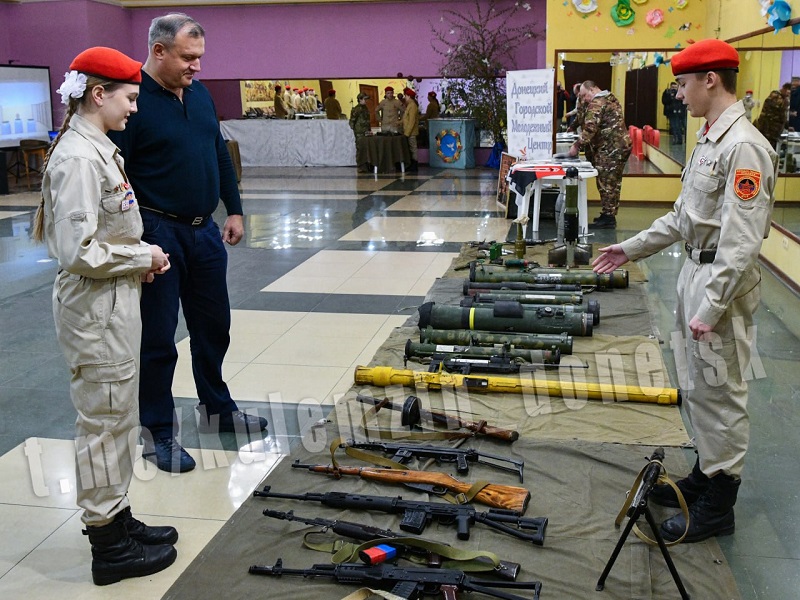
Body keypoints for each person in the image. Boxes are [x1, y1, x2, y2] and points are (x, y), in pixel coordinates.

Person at [592, 39, 778, 544]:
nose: (678, 93)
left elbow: (740, 245)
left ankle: (721, 503)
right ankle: (707, 471)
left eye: (683, 82)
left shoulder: (745, 147)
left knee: (722, 391)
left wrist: (711, 307)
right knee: (697, 385)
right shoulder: (710, 137)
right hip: (696, 274)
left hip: (723, 283)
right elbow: (683, 217)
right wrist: (629, 249)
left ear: (710, 79)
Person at [33, 46, 177, 586]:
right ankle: (108, 547)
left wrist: (131, 260)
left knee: (117, 418)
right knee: (102, 421)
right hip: (96, 308)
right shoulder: (77, 157)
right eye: (130, 98)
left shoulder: (98, 147)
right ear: (99, 94)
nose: (135, 109)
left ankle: (117, 517)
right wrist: (143, 255)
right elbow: (77, 249)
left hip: (112, 301)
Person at [108, 13, 267, 474]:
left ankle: (217, 408)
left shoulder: (198, 94)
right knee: (159, 338)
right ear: (159, 51)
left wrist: (232, 208)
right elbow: (118, 177)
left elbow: (217, 149)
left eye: (199, 57)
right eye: (188, 57)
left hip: (204, 232)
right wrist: (135, 243)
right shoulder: (132, 99)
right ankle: (157, 430)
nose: (196, 67)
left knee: (214, 326)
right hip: (158, 233)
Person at [566, 80, 632, 229]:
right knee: (612, 181)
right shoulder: (609, 97)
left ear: (592, 89)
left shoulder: (597, 103)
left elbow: (590, 128)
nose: (583, 99)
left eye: (584, 95)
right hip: (618, 145)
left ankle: (609, 218)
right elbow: (584, 118)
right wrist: (573, 126)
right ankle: (608, 213)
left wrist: (576, 146)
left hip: (612, 147)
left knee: (607, 182)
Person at [350, 92, 372, 173]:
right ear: (360, 99)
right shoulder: (357, 109)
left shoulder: (365, 108)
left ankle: (365, 165)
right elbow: (352, 121)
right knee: (360, 148)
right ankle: (360, 166)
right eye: (364, 99)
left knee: (365, 148)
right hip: (359, 132)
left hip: (366, 131)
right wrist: (356, 129)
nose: (366, 101)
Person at [401, 87, 420, 171]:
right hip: (409, 132)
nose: (405, 98)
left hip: (411, 132)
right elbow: (406, 119)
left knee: (413, 148)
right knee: (411, 148)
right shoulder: (410, 105)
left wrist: (407, 133)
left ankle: (414, 165)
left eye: (406, 96)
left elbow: (411, 121)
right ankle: (412, 164)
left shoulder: (412, 106)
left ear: (408, 96)